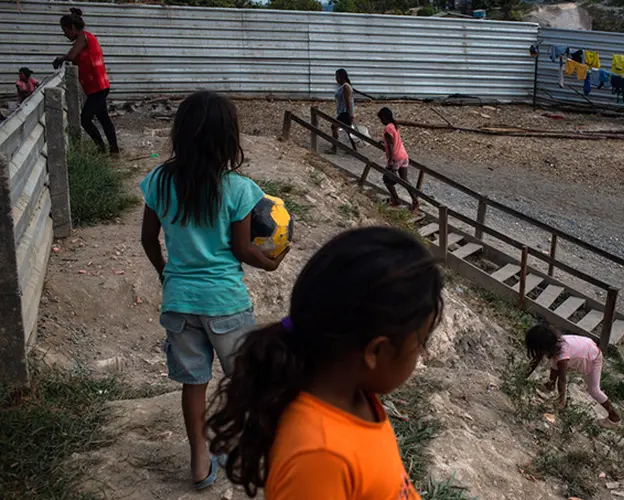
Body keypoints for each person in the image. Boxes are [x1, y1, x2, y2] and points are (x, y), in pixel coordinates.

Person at [207, 226, 443, 499]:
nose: (419, 354)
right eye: (420, 344)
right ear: (375, 352)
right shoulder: (320, 457)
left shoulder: (356, 397)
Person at [139, 90, 290, 490]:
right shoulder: (239, 189)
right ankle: (252, 449)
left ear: (182, 134)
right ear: (228, 138)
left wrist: (164, 272)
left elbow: (148, 238)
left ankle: (199, 463)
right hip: (225, 302)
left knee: (194, 383)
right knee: (245, 381)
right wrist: (271, 263)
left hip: (179, 301)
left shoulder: (158, 181)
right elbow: (243, 249)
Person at [525, 324, 621, 428]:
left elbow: (562, 379)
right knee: (554, 364)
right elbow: (536, 359)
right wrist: (523, 376)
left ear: (543, 346)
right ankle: (550, 385)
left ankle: (614, 417)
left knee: (594, 390)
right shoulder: (555, 344)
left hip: (592, 357)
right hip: (585, 347)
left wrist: (561, 403)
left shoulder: (562, 355)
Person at [53, 8, 119, 155]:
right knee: (103, 119)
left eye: (65, 31)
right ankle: (113, 150)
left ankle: (101, 149)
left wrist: (61, 58)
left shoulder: (84, 37)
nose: (65, 34)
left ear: (73, 27)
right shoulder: (81, 40)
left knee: (85, 119)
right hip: (95, 87)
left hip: (98, 87)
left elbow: (71, 56)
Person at [379, 107, 419, 211]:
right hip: (404, 155)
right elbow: (394, 141)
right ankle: (415, 201)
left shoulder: (388, 128)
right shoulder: (394, 125)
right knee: (405, 180)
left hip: (396, 157)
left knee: (387, 180)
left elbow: (391, 146)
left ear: (384, 117)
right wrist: (384, 143)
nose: (381, 122)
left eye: (381, 119)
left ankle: (396, 200)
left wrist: (390, 160)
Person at [326, 68, 355, 154]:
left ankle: (334, 147)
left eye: (337, 77)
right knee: (348, 130)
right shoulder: (344, 86)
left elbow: (348, 101)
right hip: (345, 112)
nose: (336, 79)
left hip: (345, 112)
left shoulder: (345, 87)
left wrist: (350, 114)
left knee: (334, 127)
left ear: (341, 77)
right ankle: (353, 148)